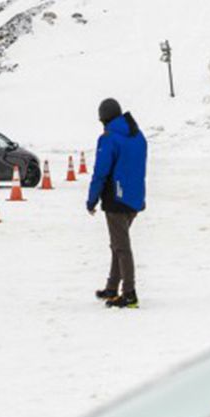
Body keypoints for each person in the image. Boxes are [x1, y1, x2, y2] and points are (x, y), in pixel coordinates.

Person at [86, 97, 147, 309]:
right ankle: (112, 287)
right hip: (134, 199)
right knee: (118, 243)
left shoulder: (109, 138)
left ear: (104, 119)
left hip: (116, 199)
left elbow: (100, 172)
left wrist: (91, 199)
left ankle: (129, 293)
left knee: (121, 246)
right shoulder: (138, 135)